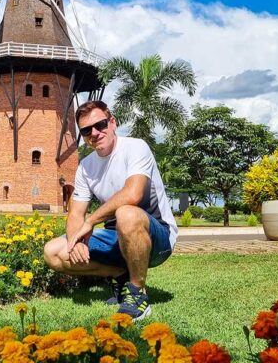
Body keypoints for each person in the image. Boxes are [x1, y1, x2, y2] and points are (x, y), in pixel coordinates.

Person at [43, 100, 178, 321]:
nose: (95, 133)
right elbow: (76, 213)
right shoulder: (86, 166)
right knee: (54, 252)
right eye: (86, 130)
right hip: (116, 238)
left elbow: (133, 194)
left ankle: (137, 294)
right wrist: (74, 241)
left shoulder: (135, 147)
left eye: (101, 125)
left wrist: (90, 222)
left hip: (158, 238)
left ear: (112, 122)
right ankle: (120, 274)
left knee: (126, 213)